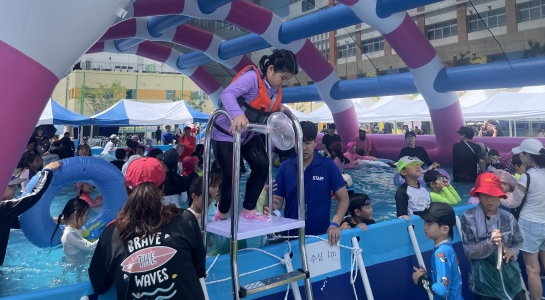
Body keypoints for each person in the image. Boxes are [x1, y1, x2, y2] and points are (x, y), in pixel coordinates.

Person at [88, 157, 206, 300]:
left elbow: (99, 285)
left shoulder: (111, 234)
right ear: (163, 187)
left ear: (127, 189)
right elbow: (199, 269)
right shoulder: (186, 220)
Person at [212, 49, 298, 223]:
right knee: (232, 175)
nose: (283, 83)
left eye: (286, 80)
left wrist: (280, 109)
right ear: (270, 69)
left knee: (262, 164)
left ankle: (248, 209)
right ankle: (221, 213)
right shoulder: (252, 78)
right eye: (283, 78)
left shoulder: (273, 89)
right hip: (225, 134)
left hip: (247, 135)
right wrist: (237, 114)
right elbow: (227, 94)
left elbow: (264, 108)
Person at [270, 121, 349, 245]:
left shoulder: (328, 166)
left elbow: (344, 198)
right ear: (293, 142)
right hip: (290, 237)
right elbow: (278, 199)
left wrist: (335, 224)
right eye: (299, 142)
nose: (303, 147)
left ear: (315, 142)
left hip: (321, 237)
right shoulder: (285, 167)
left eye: (307, 143)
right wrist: (272, 205)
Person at [500, 139, 545, 300]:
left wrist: (499, 194)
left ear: (528, 156)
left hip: (529, 225)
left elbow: (513, 202)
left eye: (521, 153)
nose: (519, 156)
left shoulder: (526, 177)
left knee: (532, 270)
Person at [461, 173, 526, 300]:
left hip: (511, 281)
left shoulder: (508, 217)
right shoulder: (469, 218)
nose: (489, 199)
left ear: (500, 195)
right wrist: (489, 243)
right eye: (485, 194)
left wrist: (512, 251)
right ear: (478, 195)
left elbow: (517, 242)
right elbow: (468, 251)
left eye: (493, 194)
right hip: (485, 285)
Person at [0, 161, 61, 265]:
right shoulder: (4, 208)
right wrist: (47, 171)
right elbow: (34, 195)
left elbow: (22, 222)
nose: (16, 188)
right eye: (12, 186)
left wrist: (56, 220)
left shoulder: (5, 212)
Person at [412, 203, 463, 300]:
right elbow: (446, 279)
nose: (424, 227)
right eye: (425, 222)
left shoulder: (441, 252)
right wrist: (427, 277)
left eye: (429, 223)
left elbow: (442, 291)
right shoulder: (445, 249)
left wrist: (421, 280)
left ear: (444, 229)